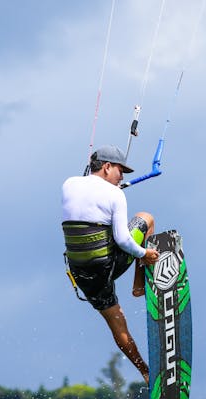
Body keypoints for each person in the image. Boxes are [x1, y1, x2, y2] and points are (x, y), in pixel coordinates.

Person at [61, 145, 160, 384]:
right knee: (147, 218)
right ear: (106, 167)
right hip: (107, 266)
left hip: (83, 274)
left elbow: (87, 191)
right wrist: (144, 253)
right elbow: (124, 240)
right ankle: (139, 284)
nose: (122, 177)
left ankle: (145, 372)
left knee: (117, 322)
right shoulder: (116, 195)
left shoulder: (68, 185)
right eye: (119, 170)